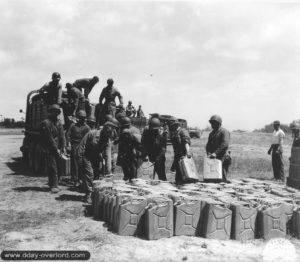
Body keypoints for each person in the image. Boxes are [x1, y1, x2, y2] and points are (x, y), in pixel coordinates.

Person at [77, 121, 118, 203]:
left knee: (97, 175)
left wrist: (108, 172)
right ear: (104, 129)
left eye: (110, 133)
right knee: (90, 174)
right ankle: (88, 194)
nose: (109, 134)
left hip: (96, 157)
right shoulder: (92, 133)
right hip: (87, 156)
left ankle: (94, 194)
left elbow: (108, 156)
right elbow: (81, 146)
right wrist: (79, 158)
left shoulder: (107, 140)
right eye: (108, 132)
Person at [40, 104, 66, 193]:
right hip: (49, 149)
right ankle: (53, 186)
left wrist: (63, 147)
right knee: (52, 167)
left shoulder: (59, 123)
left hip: (58, 148)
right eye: (54, 112)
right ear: (50, 112)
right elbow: (49, 138)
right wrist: (56, 149)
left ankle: (55, 183)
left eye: (57, 112)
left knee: (59, 167)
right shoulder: (46, 123)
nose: (55, 114)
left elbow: (62, 136)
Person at [66, 110, 90, 187]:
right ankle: (75, 179)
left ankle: (80, 179)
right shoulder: (73, 126)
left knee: (81, 163)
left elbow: (89, 137)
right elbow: (68, 135)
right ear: (78, 118)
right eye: (80, 118)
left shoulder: (87, 127)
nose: (82, 119)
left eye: (83, 118)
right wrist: (68, 144)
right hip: (74, 145)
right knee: (74, 163)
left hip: (83, 146)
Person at [206, 115, 231, 182]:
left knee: (222, 177)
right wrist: (208, 153)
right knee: (213, 177)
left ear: (219, 123)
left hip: (223, 157)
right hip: (213, 158)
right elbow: (208, 145)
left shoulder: (224, 131)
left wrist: (215, 153)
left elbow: (224, 145)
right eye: (211, 123)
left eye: (214, 123)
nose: (212, 124)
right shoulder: (211, 133)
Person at [169, 119, 191, 184]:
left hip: (183, 156)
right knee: (178, 176)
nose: (170, 128)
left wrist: (187, 152)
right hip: (178, 157)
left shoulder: (183, 131)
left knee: (184, 175)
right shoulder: (175, 132)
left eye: (171, 126)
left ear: (175, 125)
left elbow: (186, 142)